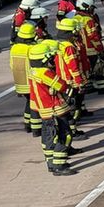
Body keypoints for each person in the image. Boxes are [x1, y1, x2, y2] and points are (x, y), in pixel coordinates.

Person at [28, 38, 73, 175]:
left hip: (44, 112)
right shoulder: (44, 72)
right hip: (55, 109)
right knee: (64, 135)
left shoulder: (32, 71)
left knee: (48, 136)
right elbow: (61, 85)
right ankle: (60, 165)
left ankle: (51, 163)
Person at [75, 0, 104, 94]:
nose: (92, 9)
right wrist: (100, 48)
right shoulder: (88, 20)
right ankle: (102, 87)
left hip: (82, 49)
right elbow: (94, 36)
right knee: (98, 68)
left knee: (87, 69)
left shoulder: (75, 18)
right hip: (92, 49)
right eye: (92, 7)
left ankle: (91, 86)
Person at [55, 17, 90, 125]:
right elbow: (73, 66)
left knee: (71, 102)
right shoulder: (69, 47)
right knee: (74, 103)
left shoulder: (59, 44)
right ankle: (73, 124)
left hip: (64, 79)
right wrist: (79, 82)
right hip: (72, 81)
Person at [10, 22, 41, 135]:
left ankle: (27, 124)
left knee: (28, 103)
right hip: (30, 81)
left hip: (20, 82)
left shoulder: (14, 48)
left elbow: (12, 64)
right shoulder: (32, 48)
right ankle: (36, 128)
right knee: (34, 104)